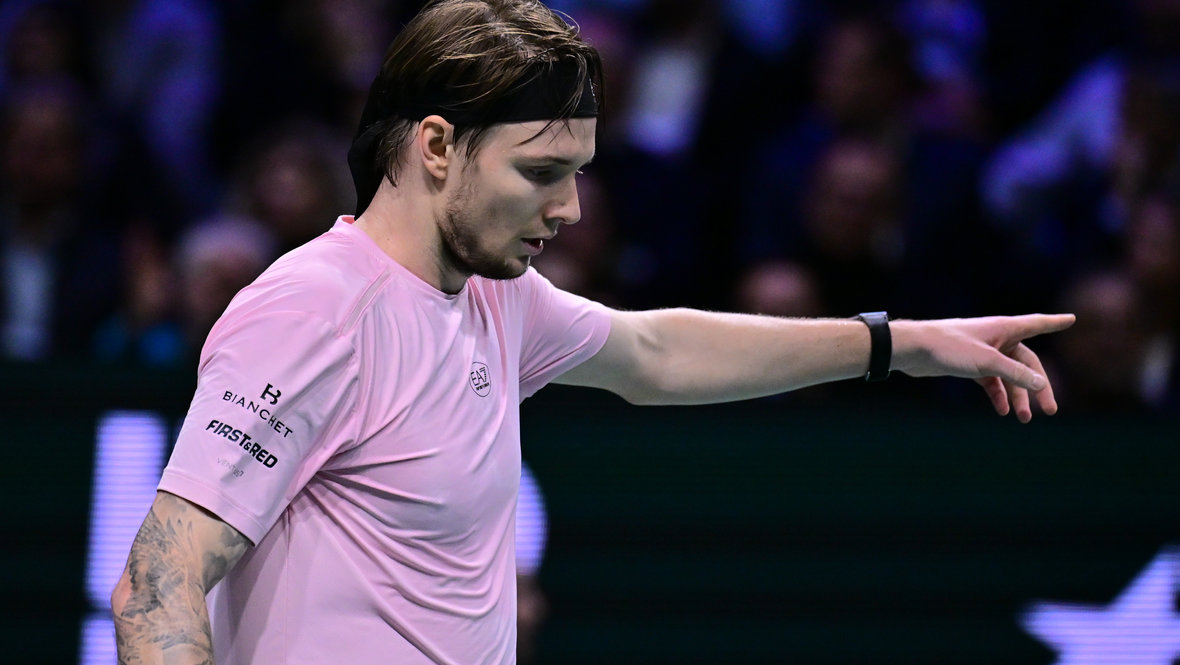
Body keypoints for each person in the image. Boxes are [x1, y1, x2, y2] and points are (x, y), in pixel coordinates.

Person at [109, 2, 1075, 664]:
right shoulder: (314, 311)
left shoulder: (491, 295)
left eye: (578, 173)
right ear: (437, 145)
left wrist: (899, 343)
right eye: (540, 172)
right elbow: (158, 585)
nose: (570, 209)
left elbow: (656, 352)